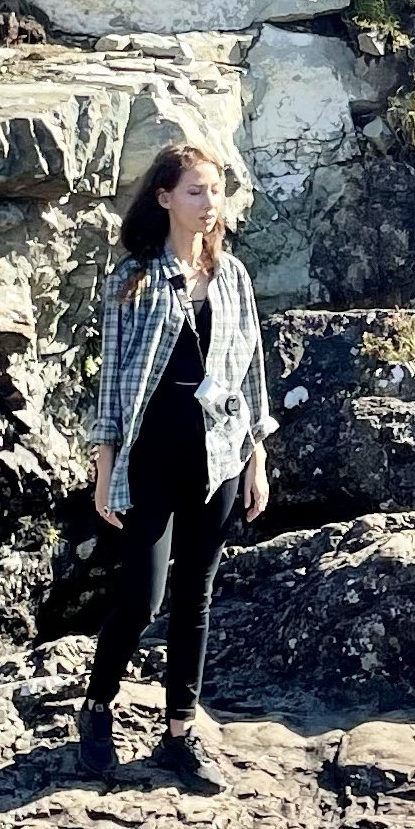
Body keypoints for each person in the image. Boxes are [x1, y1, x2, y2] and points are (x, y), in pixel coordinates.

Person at [77, 137, 274, 786]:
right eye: (195, 191)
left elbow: (251, 375)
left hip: (216, 455)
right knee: (142, 596)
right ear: (164, 198)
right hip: (151, 456)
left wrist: (256, 458)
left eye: (215, 191)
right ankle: (97, 708)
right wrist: (105, 470)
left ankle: (180, 734)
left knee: (196, 596)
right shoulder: (132, 279)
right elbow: (111, 385)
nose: (209, 203)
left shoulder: (234, 276)